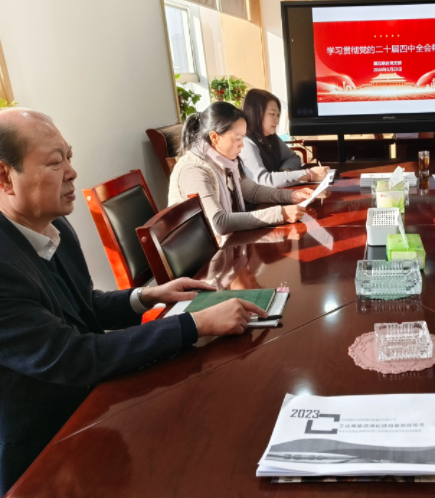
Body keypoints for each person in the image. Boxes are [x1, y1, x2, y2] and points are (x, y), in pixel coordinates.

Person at [0, 108, 268, 494]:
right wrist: (195, 324)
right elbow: (71, 355)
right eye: (56, 162)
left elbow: (81, 307)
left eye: (69, 157)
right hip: (44, 448)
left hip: (97, 408)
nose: (72, 172)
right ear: (5, 177)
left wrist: (145, 296)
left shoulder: (55, 224)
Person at [169, 101, 313, 241]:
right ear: (214, 137)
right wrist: (279, 214)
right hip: (208, 253)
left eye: (243, 138)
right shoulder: (194, 169)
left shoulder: (226, 161)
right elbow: (219, 222)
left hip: (230, 243)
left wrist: (292, 195)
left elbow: (252, 191)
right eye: (238, 138)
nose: (242, 145)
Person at [240, 89, 328, 187]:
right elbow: (263, 180)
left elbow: (293, 158)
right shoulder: (245, 142)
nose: (277, 121)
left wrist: (284, 173)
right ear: (255, 114)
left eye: (278, 115)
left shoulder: (271, 137)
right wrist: (310, 174)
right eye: (272, 114)